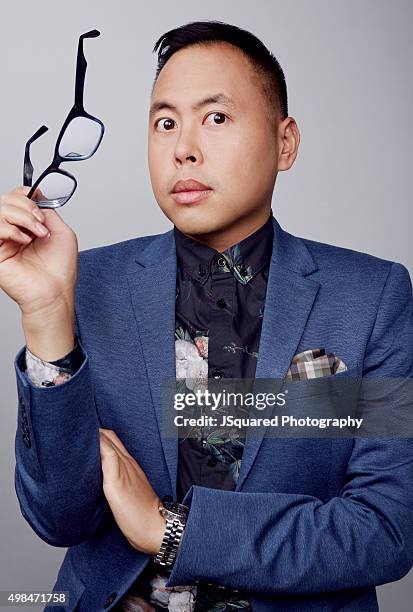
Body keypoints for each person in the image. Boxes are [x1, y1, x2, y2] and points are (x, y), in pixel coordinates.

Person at [1, 19, 412, 612]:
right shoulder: (83, 284)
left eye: (216, 118)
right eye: (165, 123)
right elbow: (60, 518)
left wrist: (169, 530)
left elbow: (385, 530)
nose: (183, 147)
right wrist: (46, 316)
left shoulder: (373, 297)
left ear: (285, 142)